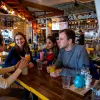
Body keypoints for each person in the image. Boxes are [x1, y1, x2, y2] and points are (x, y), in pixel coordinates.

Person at [4, 32, 36, 100]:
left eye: (21, 38)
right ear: (15, 41)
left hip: (25, 72)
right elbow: (6, 64)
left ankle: (32, 98)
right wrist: (16, 66)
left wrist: (32, 63)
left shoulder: (27, 48)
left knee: (34, 84)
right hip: (15, 74)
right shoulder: (13, 50)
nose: (19, 41)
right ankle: (25, 98)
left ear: (24, 39)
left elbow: (32, 60)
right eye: (17, 40)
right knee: (28, 84)